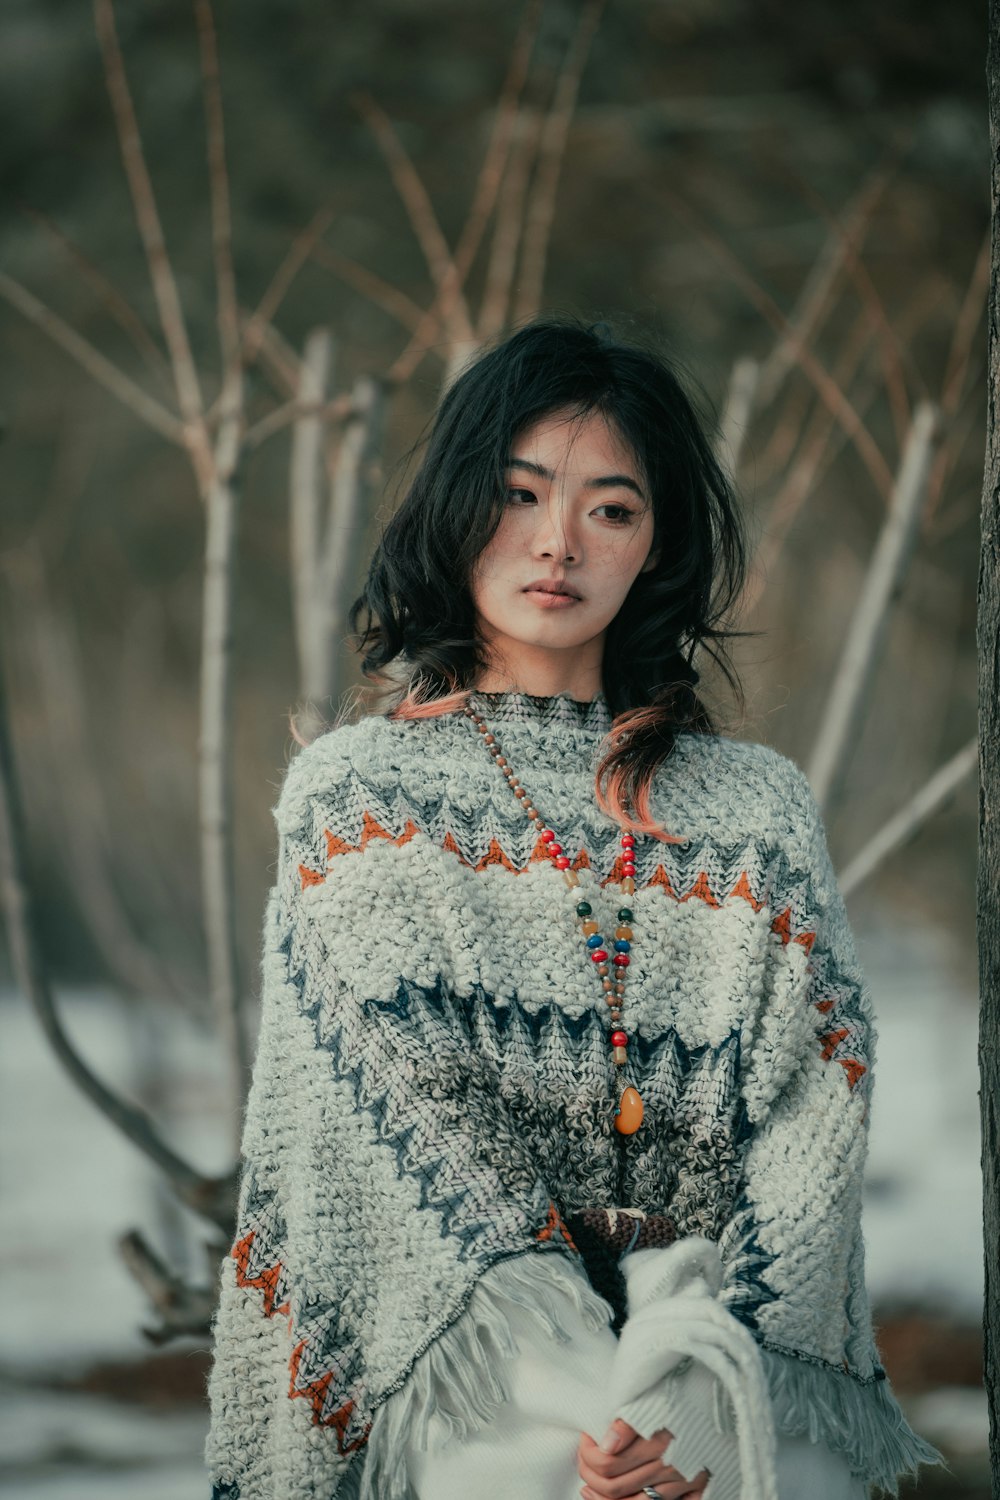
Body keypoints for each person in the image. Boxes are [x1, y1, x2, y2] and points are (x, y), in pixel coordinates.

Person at [205, 317, 940, 1500]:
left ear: (654, 545)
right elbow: (392, 1137)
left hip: (725, 1393)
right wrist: (574, 1414)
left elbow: (818, 1097)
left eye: (610, 508)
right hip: (480, 1399)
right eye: (517, 493)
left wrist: (689, 1385)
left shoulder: (754, 809)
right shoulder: (359, 798)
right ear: (453, 508)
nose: (558, 543)